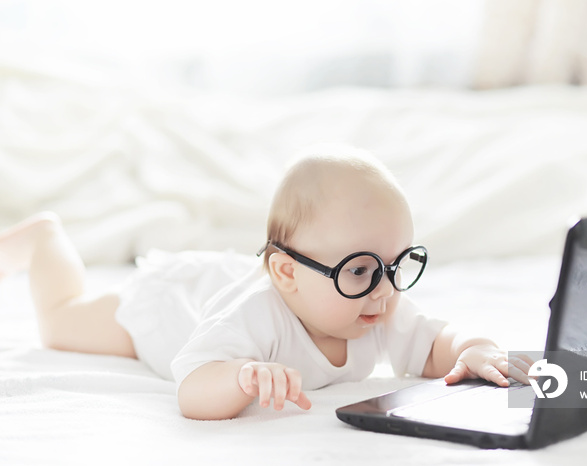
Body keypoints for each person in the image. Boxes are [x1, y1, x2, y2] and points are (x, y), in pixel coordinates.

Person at [0, 146, 533, 421]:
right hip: (175, 302)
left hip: (232, 275)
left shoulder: (374, 304)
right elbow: (191, 389)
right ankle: (41, 241)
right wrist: (240, 378)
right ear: (287, 274)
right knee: (63, 320)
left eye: (397, 266)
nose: (386, 289)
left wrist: (476, 349)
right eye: (361, 269)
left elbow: (435, 345)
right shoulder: (255, 314)